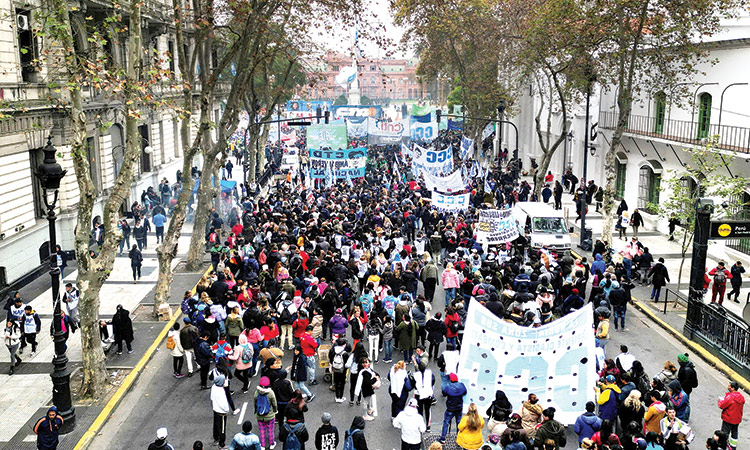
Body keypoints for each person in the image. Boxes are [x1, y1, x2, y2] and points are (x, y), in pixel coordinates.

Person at [440, 372, 467, 444]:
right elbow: (465, 392)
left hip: (450, 408)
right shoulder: (461, 385)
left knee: (446, 422)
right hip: (459, 408)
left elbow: (444, 393)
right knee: (459, 423)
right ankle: (459, 438)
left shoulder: (448, 387)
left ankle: (443, 438)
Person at [718, 381, 744, 450]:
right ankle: (733, 447)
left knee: (724, 433)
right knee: (734, 433)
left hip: (728, 418)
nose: (728, 387)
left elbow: (722, 405)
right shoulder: (741, 397)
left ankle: (722, 446)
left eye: (729, 386)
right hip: (737, 419)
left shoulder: (730, 397)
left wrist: (720, 400)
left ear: (732, 388)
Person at [255, 376, 279, 450]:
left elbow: (255, 403)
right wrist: (275, 410)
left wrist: (256, 411)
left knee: (262, 430)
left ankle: (262, 445)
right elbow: (274, 403)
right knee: (270, 430)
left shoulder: (256, 392)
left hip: (260, 415)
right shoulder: (270, 393)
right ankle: (272, 443)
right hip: (270, 415)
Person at [413, 360, 435, 430]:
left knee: (420, 410)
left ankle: (421, 425)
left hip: (419, 394)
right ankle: (428, 426)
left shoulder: (415, 375)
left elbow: (413, 384)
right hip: (428, 394)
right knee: (427, 410)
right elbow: (433, 381)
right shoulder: (430, 373)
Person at [211, 374, 231, 448]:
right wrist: (227, 410)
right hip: (221, 413)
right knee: (222, 429)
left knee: (216, 426)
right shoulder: (221, 392)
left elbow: (212, 398)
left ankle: (216, 439)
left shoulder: (214, 387)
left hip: (215, 410)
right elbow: (224, 405)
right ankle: (221, 444)